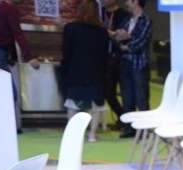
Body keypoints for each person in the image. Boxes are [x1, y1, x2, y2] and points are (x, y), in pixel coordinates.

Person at [59, 0, 109, 142]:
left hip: (75, 72)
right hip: (95, 74)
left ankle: (73, 134)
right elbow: (104, 56)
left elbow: (66, 53)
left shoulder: (70, 28)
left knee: (73, 105)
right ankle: (92, 134)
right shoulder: (102, 32)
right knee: (96, 106)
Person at [0, 0, 40, 128]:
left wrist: (13, 56)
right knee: (9, 93)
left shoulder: (2, 7)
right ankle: (6, 126)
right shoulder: (9, 9)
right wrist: (29, 57)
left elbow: (10, 35)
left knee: (3, 92)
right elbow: (18, 34)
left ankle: (2, 125)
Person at [113, 0, 153, 139]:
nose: (126, 3)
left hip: (139, 64)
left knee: (141, 97)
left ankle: (144, 129)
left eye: (128, 1)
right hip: (125, 62)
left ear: (136, 2)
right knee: (127, 96)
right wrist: (124, 40)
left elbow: (141, 41)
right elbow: (118, 37)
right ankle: (129, 128)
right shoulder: (126, 20)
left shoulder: (146, 20)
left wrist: (127, 41)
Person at [100, 0, 130, 128]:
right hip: (104, 57)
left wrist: (110, 33)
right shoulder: (98, 13)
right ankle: (122, 117)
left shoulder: (124, 15)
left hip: (120, 57)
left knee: (126, 92)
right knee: (108, 92)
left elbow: (125, 36)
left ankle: (127, 122)